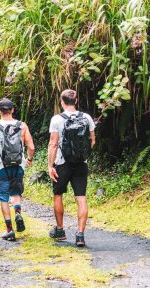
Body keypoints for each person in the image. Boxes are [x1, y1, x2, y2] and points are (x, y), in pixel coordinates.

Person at [48, 89, 96, 247]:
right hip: (81, 164)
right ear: (76, 101)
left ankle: (60, 231)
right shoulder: (87, 118)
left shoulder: (57, 119)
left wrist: (50, 166)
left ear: (62, 102)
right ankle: (80, 235)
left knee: (58, 195)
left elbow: (53, 144)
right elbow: (92, 141)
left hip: (62, 163)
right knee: (81, 198)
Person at [0, 98, 35, 241]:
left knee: (3, 196)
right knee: (15, 191)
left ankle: (9, 230)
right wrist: (29, 160)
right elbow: (31, 147)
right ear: (13, 110)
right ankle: (18, 212)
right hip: (19, 164)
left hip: (2, 166)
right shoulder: (22, 126)